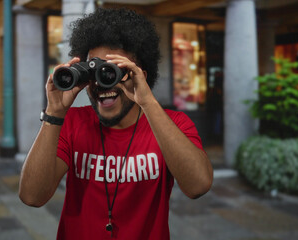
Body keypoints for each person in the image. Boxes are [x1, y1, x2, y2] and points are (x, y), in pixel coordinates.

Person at [19, 8, 213, 239]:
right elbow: (32, 196)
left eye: (112, 71)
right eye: (95, 72)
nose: (102, 83)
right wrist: (54, 113)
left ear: (141, 75)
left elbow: (198, 186)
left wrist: (148, 101)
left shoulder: (173, 124)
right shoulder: (72, 123)